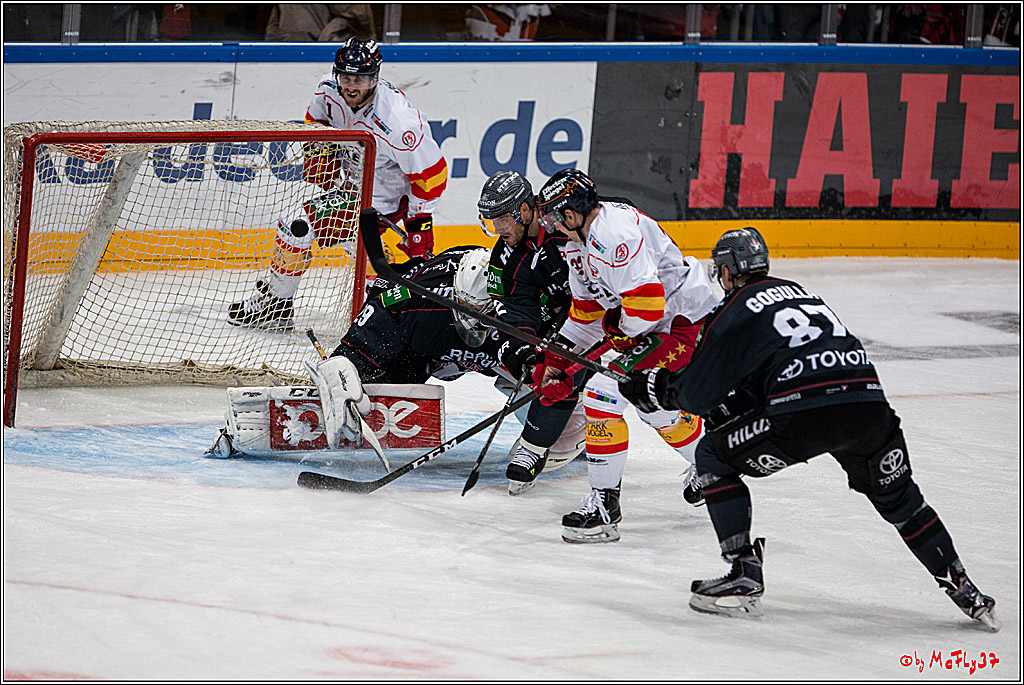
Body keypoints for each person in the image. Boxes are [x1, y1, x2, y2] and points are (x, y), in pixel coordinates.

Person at [617, 227, 1000, 630]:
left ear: (728, 271)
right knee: (901, 501)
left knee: (712, 456)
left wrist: (654, 388)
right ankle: (966, 590)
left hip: (804, 414)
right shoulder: (804, 294)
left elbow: (696, 395)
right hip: (869, 407)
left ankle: (743, 573)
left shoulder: (732, 311)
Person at [531, 169, 719, 544]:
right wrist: (558, 360)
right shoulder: (576, 244)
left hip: (683, 322)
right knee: (650, 404)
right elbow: (586, 316)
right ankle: (711, 463)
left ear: (570, 215)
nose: (549, 224)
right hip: (653, 325)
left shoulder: (614, 233)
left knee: (603, 392)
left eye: (553, 215)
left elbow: (646, 308)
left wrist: (612, 335)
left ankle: (604, 506)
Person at [228, 37, 448, 330]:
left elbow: (431, 176)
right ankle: (283, 303)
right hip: (349, 191)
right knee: (349, 254)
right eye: (346, 76)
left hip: (381, 203)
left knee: (296, 227)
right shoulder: (327, 90)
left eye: (361, 78)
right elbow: (315, 123)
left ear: (375, 78)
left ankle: (279, 304)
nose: (351, 86)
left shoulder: (398, 121)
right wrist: (322, 160)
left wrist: (418, 226)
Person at [478, 170, 584, 494]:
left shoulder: (566, 225)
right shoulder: (506, 256)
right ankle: (553, 436)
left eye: (503, 220)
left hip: (604, 314)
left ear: (525, 210)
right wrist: (526, 350)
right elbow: (517, 310)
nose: (498, 229)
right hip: (565, 325)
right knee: (515, 365)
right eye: (491, 221)